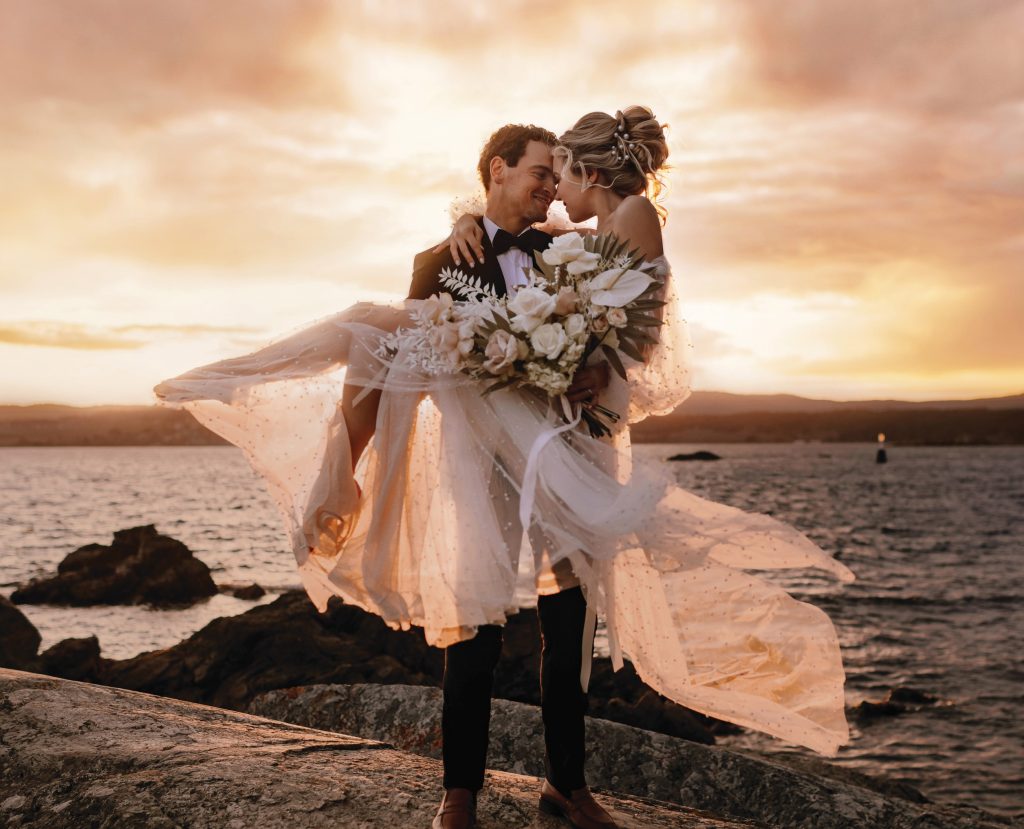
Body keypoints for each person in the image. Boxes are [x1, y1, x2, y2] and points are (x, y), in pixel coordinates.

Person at [154, 106, 854, 829]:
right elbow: (398, 366)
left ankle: (568, 785)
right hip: (481, 465)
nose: (552, 188)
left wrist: (594, 361)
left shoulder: (561, 248)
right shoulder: (439, 261)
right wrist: (353, 461)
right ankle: (459, 792)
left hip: (570, 451)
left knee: (570, 620)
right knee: (475, 621)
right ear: (499, 170)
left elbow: (616, 281)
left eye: (558, 176)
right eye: (540, 174)